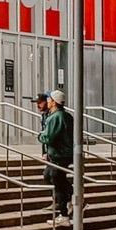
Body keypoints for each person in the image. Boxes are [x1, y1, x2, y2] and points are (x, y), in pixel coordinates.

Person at [38, 88, 73, 221]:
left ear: (53, 102)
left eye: (49, 100)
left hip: (59, 154)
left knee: (56, 178)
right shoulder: (65, 115)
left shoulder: (56, 117)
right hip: (61, 153)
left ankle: (64, 212)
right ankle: (67, 201)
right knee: (50, 175)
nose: (47, 102)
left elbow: (48, 136)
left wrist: (40, 136)